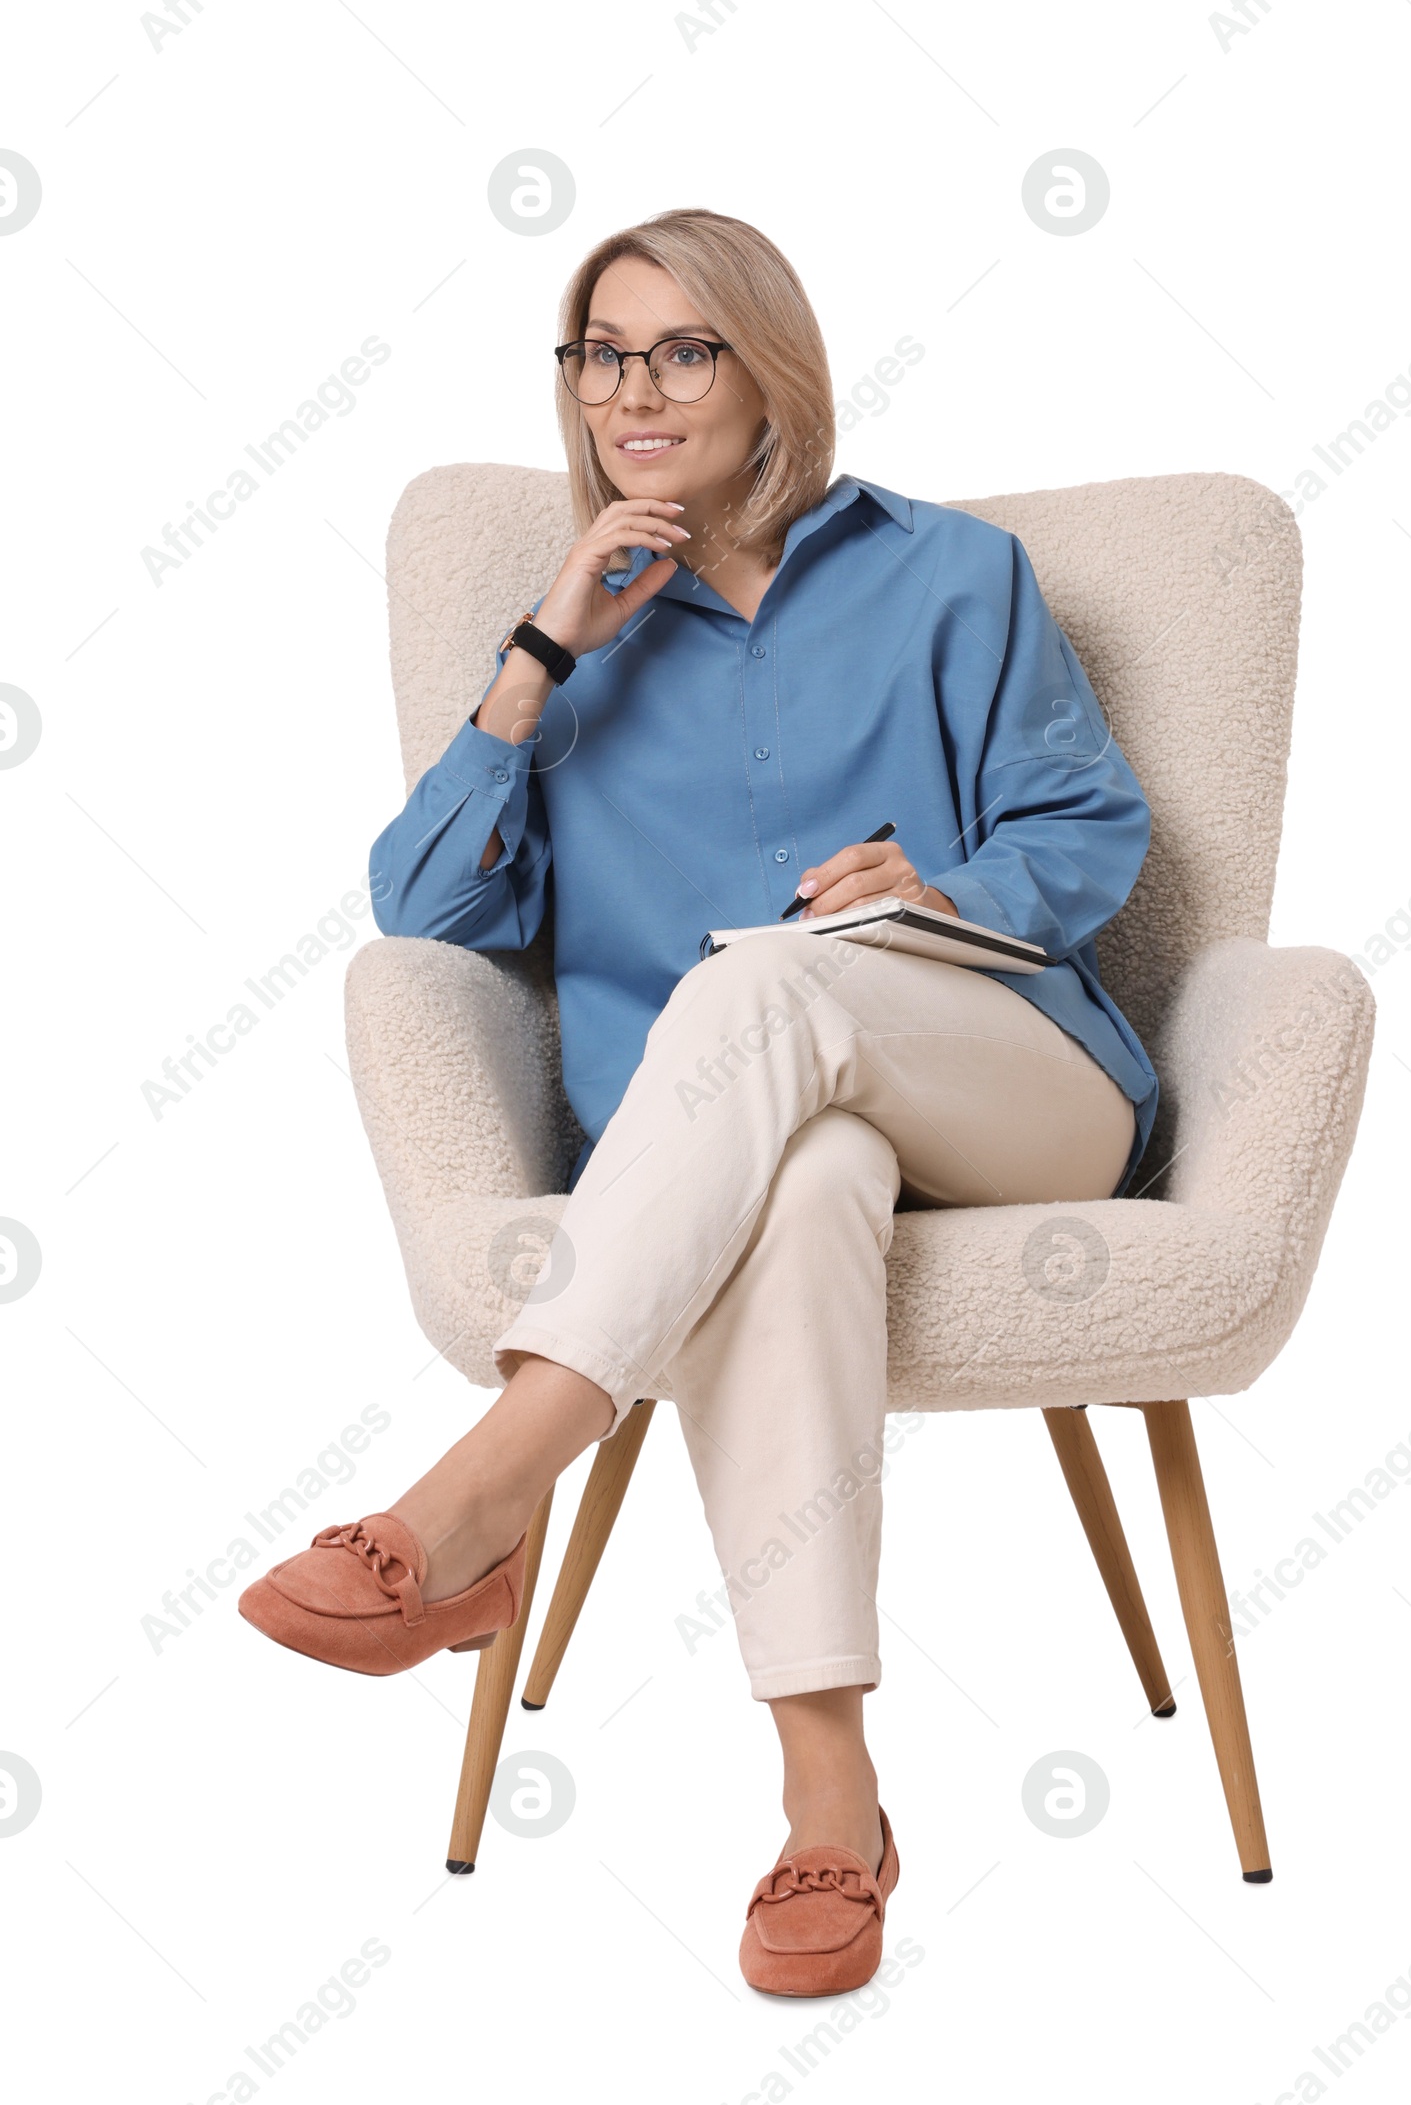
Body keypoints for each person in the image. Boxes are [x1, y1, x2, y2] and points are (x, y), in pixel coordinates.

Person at [239, 207, 1159, 1997]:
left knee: (760, 980)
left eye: (679, 351)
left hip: (1017, 1088)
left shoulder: (957, 576)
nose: (630, 391)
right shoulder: (577, 635)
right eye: (599, 353)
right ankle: (834, 1797)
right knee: (806, 1175)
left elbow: (1095, 830)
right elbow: (426, 915)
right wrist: (540, 652)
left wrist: (950, 884)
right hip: (747, 1149)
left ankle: (478, 1497)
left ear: (770, 374)